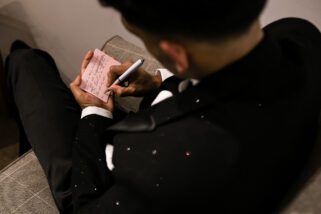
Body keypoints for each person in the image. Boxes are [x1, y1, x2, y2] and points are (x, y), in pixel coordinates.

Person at [4, 0, 321, 213]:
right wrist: (160, 81)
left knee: (25, 62)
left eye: (145, 39)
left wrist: (95, 111)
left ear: (177, 53)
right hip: (185, 128)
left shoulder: (154, 162)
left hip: (102, 183)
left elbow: (87, 205)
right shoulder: (300, 36)